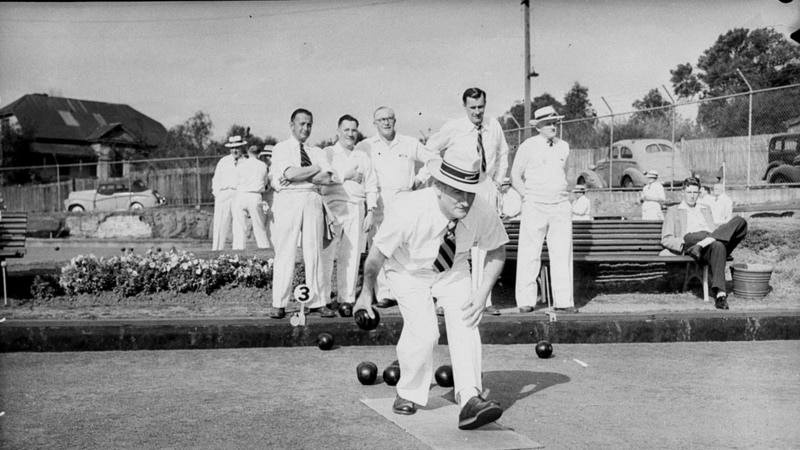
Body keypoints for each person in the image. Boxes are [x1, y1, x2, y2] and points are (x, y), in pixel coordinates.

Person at [353, 149, 508, 430]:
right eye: (457, 193)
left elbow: (497, 249)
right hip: (407, 271)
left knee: (468, 320)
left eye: (470, 193)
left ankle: (470, 398)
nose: (465, 201)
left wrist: (483, 290)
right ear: (438, 188)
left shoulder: (480, 210)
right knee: (425, 332)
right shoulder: (408, 209)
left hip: (453, 270)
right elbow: (377, 255)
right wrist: (365, 295)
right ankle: (408, 392)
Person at [426, 87, 510, 316]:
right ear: (465, 107)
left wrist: (498, 181)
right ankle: (443, 299)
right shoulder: (454, 127)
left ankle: (484, 300)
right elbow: (430, 148)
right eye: (472, 107)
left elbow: (503, 153)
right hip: (457, 191)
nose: (477, 112)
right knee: (452, 241)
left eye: (480, 107)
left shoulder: (493, 125)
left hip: (485, 188)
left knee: (487, 246)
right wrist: (440, 178)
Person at [356, 106, 439, 309]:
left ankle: (407, 290)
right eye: (381, 119)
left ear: (395, 120)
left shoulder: (409, 143)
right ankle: (384, 293)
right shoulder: (365, 146)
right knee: (379, 245)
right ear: (374, 123)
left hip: (404, 198)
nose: (386, 122)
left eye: (390, 118)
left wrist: (418, 180)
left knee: (405, 247)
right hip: (378, 200)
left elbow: (433, 160)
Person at [270, 108, 337, 319]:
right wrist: (313, 170)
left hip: (311, 199)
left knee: (314, 251)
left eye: (309, 124)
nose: (305, 128)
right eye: (301, 124)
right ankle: (278, 303)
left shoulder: (317, 151)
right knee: (285, 250)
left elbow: (326, 179)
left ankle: (317, 302)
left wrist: (300, 175)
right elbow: (288, 173)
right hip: (288, 200)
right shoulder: (281, 148)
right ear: (292, 125)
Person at [511, 105, 577, 314]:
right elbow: (515, 175)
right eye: (548, 123)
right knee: (530, 253)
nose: (552, 126)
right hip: (534, 205)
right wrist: (527, 196)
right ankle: (526, 300)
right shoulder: (528, 146)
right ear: (537, 126)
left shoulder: (564, 146)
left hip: (559, 205)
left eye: (554, 122)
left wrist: (563, 195)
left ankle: (564, 301)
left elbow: (566, 175)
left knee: (562, 252)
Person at [660, 177, 748, 310]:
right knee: (716, 243)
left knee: (740, 222)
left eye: (695, 193)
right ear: (683, 192)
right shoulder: (674, 210)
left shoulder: (705, 208)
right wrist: (682, 244)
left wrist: (714, 236)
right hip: (690, 239)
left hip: (709, 241)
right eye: (689, 192)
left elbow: (713, 228)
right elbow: (666, 238)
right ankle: (720, 295)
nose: (692, 196)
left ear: (699, 193)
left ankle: (702, 245)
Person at [321, 115, 378, 308]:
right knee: (327, 255)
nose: (350, 134)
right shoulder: (328, 152)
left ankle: (347, 299)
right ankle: (324, 298)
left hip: (356, 207)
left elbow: (371, 185)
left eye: (354, 130)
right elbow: (329, 176)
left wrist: (370, 211)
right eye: (346, 130)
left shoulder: (363, 157)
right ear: (338, 131)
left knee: (351, 256)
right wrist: (348, 175)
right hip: (332, 205)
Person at [232, 145, 271, 250]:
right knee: (259, 225)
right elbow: (266, 183)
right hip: (255, 195)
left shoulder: (241, 165)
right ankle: (264, 248)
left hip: (241, 195)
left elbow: (235, 181)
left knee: (240, 227)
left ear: (248, 153)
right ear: (259, 154)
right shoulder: (263, 165)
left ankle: (238, 250)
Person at [211, 135, 246, 251]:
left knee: (239, 224)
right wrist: (218, 194)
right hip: (224, 194)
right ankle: (216, 251)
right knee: (220, 224)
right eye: (232, 148)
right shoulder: (223, 161)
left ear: (242, 148)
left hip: (238, 194)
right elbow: (216, 180)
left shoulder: (246, 162)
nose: (234, 151)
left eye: (237, 148)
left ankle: (239, 252)